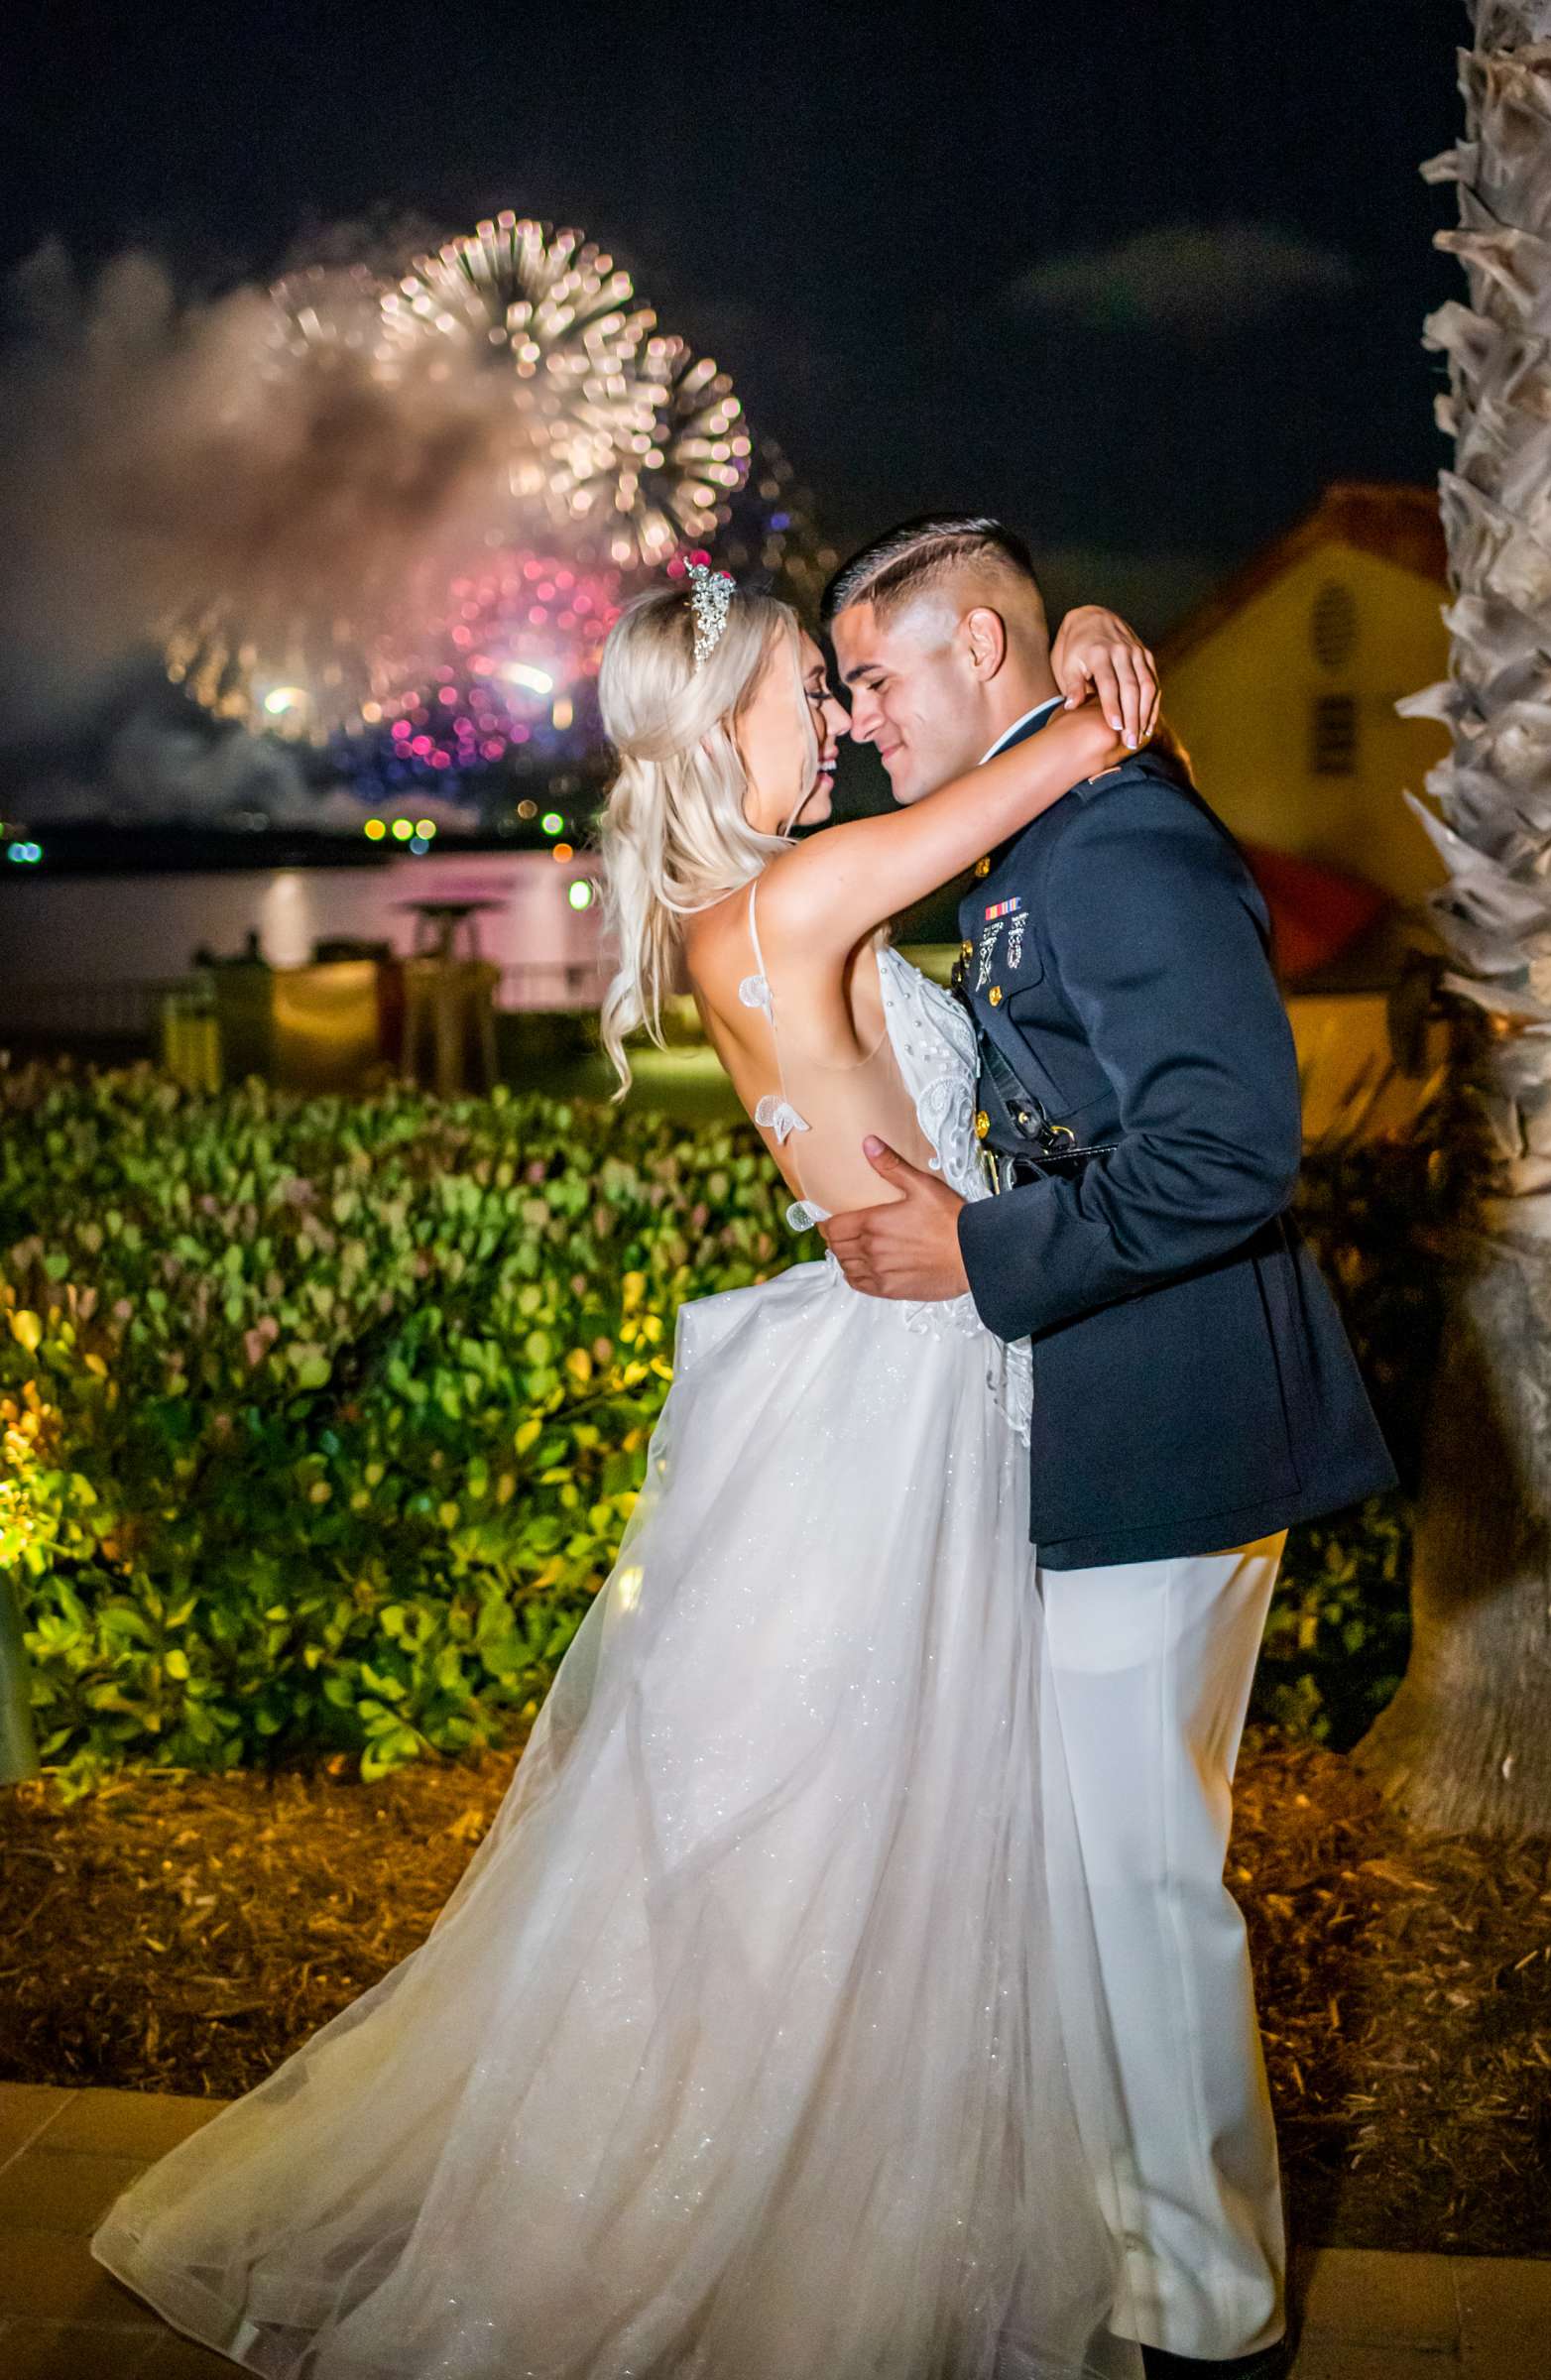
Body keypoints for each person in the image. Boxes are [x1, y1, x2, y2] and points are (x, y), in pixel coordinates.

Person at [89, 558, 1160, 2380]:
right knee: (838, 1846)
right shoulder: (798, 895)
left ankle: (846, 2210)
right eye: (805, 689)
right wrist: (1074, 636)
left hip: (917, 1370)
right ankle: (763, 2250)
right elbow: (1054, 766)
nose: (834, 717)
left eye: (833, 690)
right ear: (724, 715)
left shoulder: (737, 911)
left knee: (866, 1843)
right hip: (898, 1399)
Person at [820, 516, 1399, 2380]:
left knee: (1137, 1880)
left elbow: (1227, 1148)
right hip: (1102, 1409)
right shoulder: (1042, 826)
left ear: (985, 653)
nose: (856, 719)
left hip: (1175, 1415)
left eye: (876, 677)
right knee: (1100, 1872)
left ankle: (1207, 2321)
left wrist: (973, 1251)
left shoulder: (1114, 835)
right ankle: (1158, 2266)